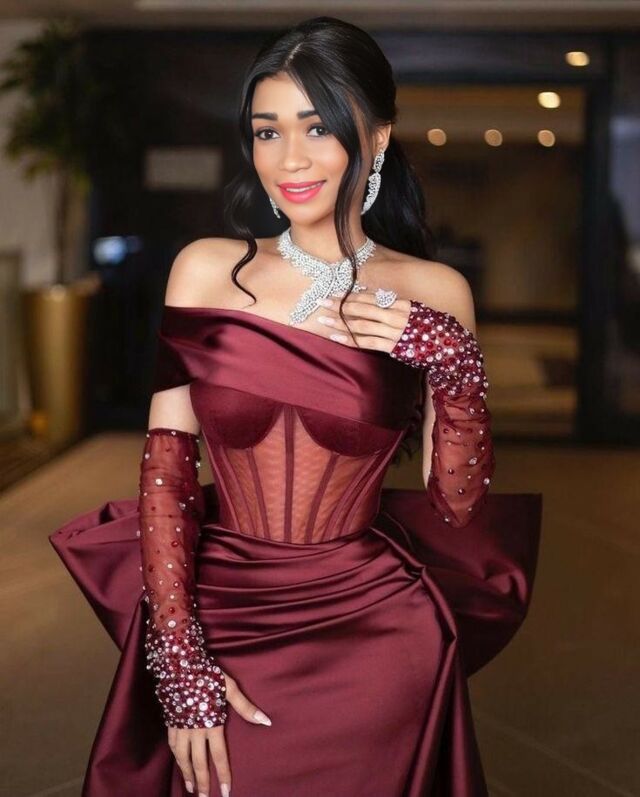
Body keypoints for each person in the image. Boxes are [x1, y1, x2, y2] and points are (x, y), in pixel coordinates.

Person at [49, 16, 542, 797]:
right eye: (267, 130)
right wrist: (179, 661)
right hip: (218, 615)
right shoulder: (206, 270)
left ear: (376, 137)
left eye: (317, 127)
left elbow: (457, 505)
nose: (290, 159)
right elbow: (166, 479)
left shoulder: (434, 291)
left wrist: (452, 362)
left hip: (375, 636)